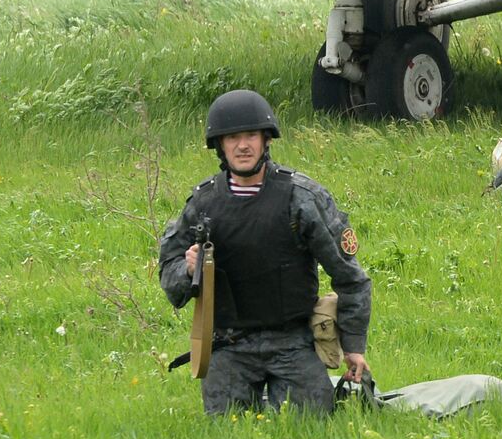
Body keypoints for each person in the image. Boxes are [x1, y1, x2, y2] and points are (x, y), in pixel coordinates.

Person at [158, 90, 372, 415]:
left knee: (309, 423)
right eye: (232, 137)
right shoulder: (203, 203)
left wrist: (353, 346)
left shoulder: (301, 199)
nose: (242, 145)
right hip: (230, 344)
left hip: (293, 341)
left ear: (266, 141)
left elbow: (350, 277)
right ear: (220, 145)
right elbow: (168, 271)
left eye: (250, 135)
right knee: (226, 426)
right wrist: (189, 270)